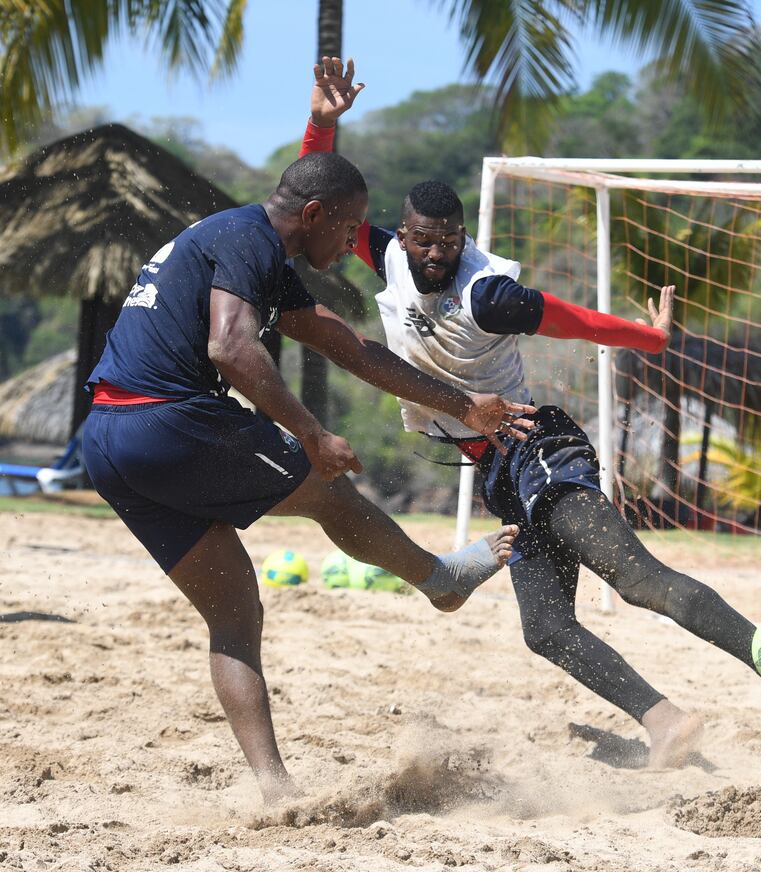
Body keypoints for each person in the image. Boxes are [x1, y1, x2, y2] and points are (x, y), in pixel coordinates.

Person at [299, 56, 761, 767]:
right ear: (404, 234)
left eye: (449, 241)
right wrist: (321, 125)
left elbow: (575, 320)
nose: (437, 254)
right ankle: (665, 720)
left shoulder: (488, 295)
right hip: (500, 471)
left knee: (637, 581)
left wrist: (650, 338)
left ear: (461, 238)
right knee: (544, 629)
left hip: (538, 451)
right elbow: (317, 196)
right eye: (424, 240)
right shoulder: (385, 255)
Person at [79, 148, 538, 803]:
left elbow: (349, 347)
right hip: (169, 422)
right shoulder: (249, 240)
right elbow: (229, 346)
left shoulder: (247, 248)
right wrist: (312, 435)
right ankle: (440, 581)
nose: (354, 242)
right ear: (314, 214)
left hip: (107, 442)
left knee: (235, 614)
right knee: (331, 494)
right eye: (349, 228)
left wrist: (463, 405)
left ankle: (274, 789)